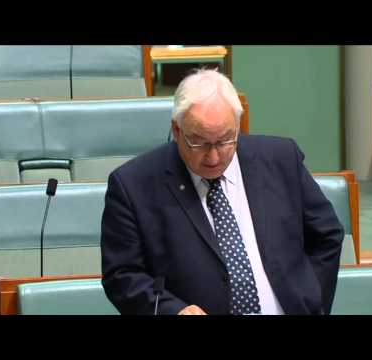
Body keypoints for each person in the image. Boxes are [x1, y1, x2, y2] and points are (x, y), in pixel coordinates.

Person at [101, 69, 344, 315]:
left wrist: (311, 299)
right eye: (199, 142)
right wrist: (172, 311)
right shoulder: (133, 185)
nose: (214, 156)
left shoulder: (281, 159)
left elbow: (327, 234)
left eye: (226, 140)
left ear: (238, 125)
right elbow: (122, 276)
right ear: (176, 130)